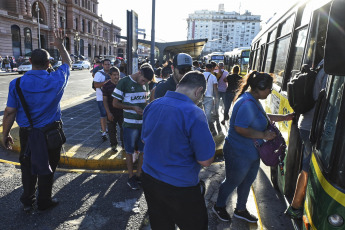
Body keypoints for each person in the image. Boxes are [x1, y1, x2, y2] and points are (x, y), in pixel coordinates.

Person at [2, 29, 71, 212]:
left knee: (27, 167)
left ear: (30, 62)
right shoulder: (57, 79)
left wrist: (5, 134)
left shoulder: (16, 84)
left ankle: (27, 200)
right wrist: (60, 45)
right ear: (48, 63)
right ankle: (44, 201)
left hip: (28, 135)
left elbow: (9, 112)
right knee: (48, 167)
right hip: (51, 134)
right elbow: (67, 63)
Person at [212, 71, 294, 223]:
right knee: (233, 181)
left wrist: (284, 118)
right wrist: (264, 135)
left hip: (251, 152)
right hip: (238, 153)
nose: (270, 92)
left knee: (247, 181)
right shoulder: (247, 103)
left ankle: (240, 209)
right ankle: (219, 206)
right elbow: (240, 128)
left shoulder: (253, 100)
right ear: (261, 88)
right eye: (269, 89)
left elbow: (262, 117)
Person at [141, 71, 215, 230]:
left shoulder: (153, 105)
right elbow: (206, 160)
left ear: (178, 85)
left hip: (149, 178)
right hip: (180, 187)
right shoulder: (195, 113)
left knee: (160, 224)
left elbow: (144, 139)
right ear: (198, 91)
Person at [285, 60, 328, 219]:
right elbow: (321, 99)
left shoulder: (322, 64)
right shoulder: (329, 69)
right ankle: (296, 207)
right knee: (307, 167)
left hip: (306, 123)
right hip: (311, 127)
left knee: (307, 166)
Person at [112, 63, 154, 190]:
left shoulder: (145, 83)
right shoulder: (124, 82)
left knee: (142, 151)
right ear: (139, 72)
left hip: (143, 124)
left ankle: (139, 174)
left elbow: (145, 100)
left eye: (146, 82)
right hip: (130, 124)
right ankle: (131, 177)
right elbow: (115, 103)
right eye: (143, 80)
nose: (143, 83)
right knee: (129, 152)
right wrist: (132, 107)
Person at [102, 66, 124, 152]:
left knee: (124, 129)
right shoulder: (106, 86)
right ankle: (114, 145)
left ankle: (124, 145)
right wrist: (108, 112)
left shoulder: (122, 84)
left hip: (122, 111)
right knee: (111, 130)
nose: (116, 77)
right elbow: (105, 100)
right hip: (111, 112)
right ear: (110, 75)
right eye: (114, 75)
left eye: (117, 75)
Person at [93, 59, 112, 140]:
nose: (107, 65)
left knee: (110, 114)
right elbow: (95, 85)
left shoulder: (113, 72)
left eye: (109, 64)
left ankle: (110, 130)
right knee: (103, 114)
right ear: (103, 65)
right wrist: (105, 83)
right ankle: (104, 132)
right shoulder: (99, 74)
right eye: (106, 64)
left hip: (112, 98)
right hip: (101, 98)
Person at [203, 63, 219, 136]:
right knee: (208, 113)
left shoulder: (201, 75)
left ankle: (202, 126)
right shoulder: (213, 77)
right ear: (211, 68)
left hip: (200, 97)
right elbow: (215, 88)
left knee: (200, 112)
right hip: (209, 97)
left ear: (205, 68)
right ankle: (209, 128)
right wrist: (216, 97)